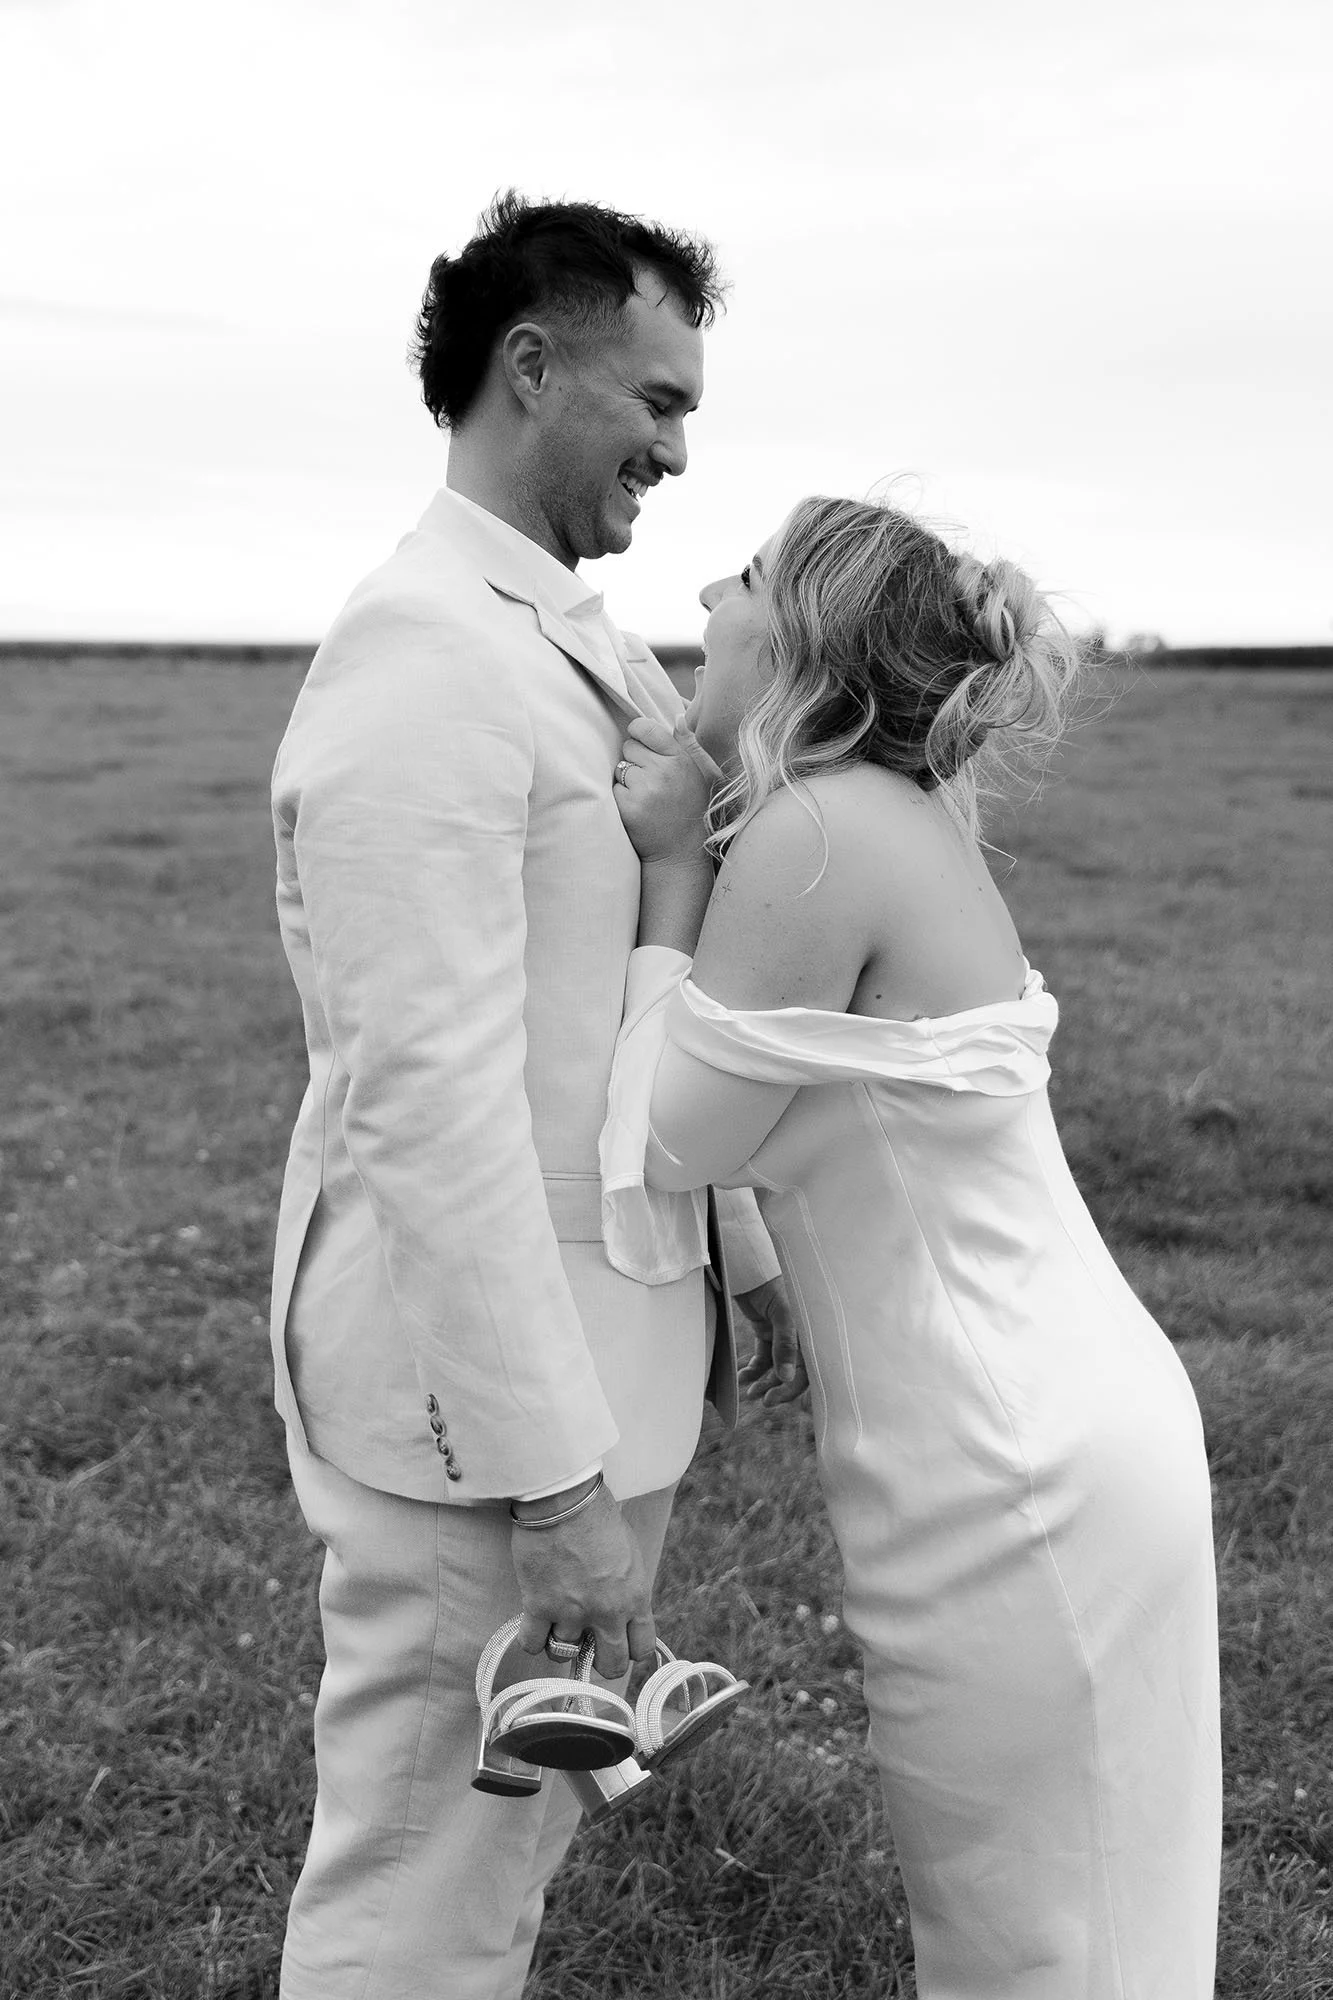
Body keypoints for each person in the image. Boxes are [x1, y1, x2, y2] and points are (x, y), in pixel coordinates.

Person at [267, 192, 788, 2000]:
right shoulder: (427, 649)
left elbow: (608, 1007)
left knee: (495, 1881)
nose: (678, 445)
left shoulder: (563, 624)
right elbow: (431, 1103)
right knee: (422, 1888)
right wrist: (549, 1478)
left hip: (594, 1360)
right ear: (531, 364)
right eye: (655, 398)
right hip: (479, 1422)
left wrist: (732, 1251)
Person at [603, 494, 1222, 1999]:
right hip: (1044, 1427)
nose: (704, 588)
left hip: (1007, 1473)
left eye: (742, 575)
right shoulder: (885, 808)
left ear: (800, 631)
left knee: (1037, 1943)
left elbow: (667, 1141)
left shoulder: (815, 832)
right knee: (1075, 1919)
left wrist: (674, 866)